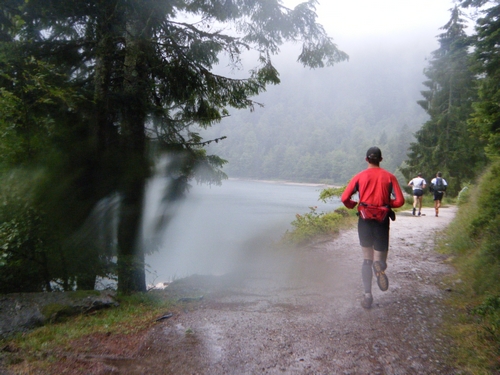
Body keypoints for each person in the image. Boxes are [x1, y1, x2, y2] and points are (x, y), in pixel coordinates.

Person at [341, 147, 405, 309]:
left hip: (364, 219)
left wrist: (355, 205)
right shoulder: (390, 177)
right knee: (380, 259)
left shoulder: (359, 176)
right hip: (382, 221)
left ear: (366, 159)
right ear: (381, 159)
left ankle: (367, 295)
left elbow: (344, 198)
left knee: (366, 260)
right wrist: (386, 203)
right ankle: (379, 268)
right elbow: (400, 201)